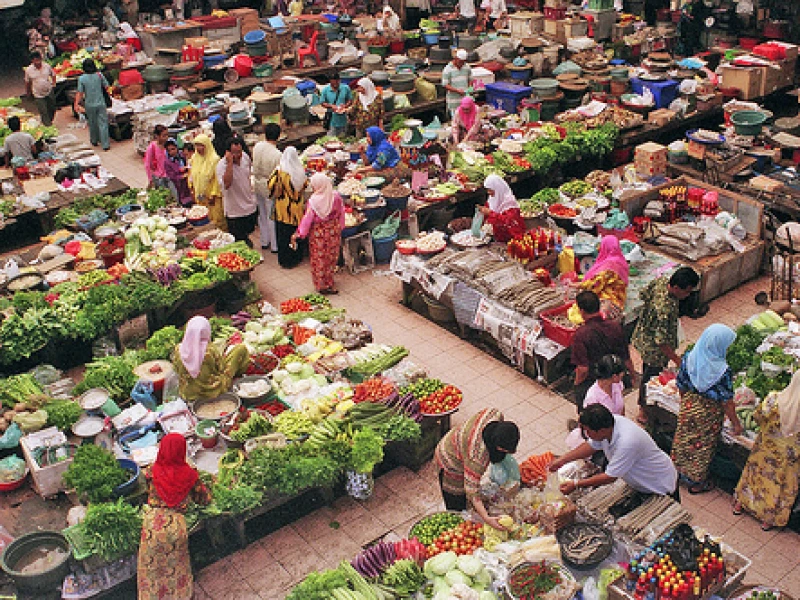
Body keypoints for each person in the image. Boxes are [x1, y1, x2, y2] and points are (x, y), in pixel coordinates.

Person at [137, 433, 211, 600]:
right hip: (175, 527)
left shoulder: (152, 470)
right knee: (176, 568)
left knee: (151, 569)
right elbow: (203, 499)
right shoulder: (190, 474)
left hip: (152, 525)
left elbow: (146, 485)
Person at [549, 404, 679, 498]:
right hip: (639, 482)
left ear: (601, 431)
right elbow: (590, 446)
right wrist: (562, 460)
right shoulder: (609, 425)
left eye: (588, 431)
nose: (586, 434)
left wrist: (576, 484)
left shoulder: (627, 442)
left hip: (658, 485)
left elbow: (610, 477)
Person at [671, 324, 742, 494]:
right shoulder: (722, 371)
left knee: (683, 440)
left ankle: (678, 472)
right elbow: (727, 402)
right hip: (708, 414)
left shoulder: (689, 358)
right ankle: (697, 482)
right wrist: (736, 424)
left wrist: (686, 404)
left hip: (689, 405)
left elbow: (681, 384)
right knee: (701, 448)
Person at [631, 266, 700, 425]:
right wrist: (676, 359)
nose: (687, 295)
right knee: (650, 378)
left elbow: (643, 294)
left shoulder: (660, 282)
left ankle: (645, 406)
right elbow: (661, 342)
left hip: (643, 335)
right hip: (654, 350)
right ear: (676, 288)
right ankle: (644, 410)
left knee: (647, 370)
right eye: (687, 292)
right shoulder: (665, 309)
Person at [733, 370, 800, 531]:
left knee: (755, 475)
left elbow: (758, 417)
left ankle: (740, 504)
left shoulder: (773, 399)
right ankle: (767, 520)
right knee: (778, 485)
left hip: (765, 450)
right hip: (789, 458)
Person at [435, 408, 519, 530]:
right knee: (456, 498)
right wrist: (486, 518)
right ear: (498, 448)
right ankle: (456, 523)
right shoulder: (477, 457)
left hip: (459, 439)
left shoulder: (494, 414)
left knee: (468, 494)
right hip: (450, 458)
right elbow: (472, 490)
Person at [571, 290, 634, 410]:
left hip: (591, 381)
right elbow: (625, 356)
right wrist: (632, 373)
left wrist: (577, 383)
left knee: (590, 413)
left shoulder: (581, 334)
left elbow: (583, 369)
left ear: (582, 311)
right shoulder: (615, 327)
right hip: (612, 379)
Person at [291, 173, 346, 295]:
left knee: (319, 258)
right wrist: (341, 227)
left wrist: (299, 233)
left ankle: (321, 284)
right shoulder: (335, 196)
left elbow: (307, 219)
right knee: (331, 257)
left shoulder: (313, 201)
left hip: (318, 234)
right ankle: (329, 282)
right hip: (333, 231)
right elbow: (341, 212)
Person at [172, 316, 249, 401]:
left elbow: (176, 370)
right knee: (240, 350)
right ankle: (239, 376)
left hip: (188, 393)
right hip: (213, 390)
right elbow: (221, 368)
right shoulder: (209, 350)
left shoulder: (178, 350)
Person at [565, 354, 627, 450]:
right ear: (614, 376)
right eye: (621, 373)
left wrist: (623, 425)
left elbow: (621, 407)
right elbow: (592, 428)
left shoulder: (617, 384)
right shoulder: (593, 398)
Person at [268, 146, 308, 269]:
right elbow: (305, 185)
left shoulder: (279, 172)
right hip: (297, 209)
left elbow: (270, 186)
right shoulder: (300, 171)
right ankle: (296, 256)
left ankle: (286, 260)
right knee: (295, 234)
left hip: (283, 210)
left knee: (283, 236)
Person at [216, 137, 258, 246]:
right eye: (235, 153)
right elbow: (227, 184)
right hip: (234, 210)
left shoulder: (245, 157)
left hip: (248, 205)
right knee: (239, 240)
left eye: (240, 151)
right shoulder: (221, 166)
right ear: (228, 153)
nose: (238, 155)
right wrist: (230, 163)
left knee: (249, 232)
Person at [580, 236, 630, 319]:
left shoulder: (609, 265)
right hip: (620, 295)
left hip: (611, 297)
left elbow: (596, 284)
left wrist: (578, 285)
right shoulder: (620, 259)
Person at [252, 123, 283, 252]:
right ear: (278, 136)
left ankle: (264, 241)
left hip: (257, 182)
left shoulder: (257, 146)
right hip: (270, 186)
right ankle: (275, 245)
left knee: (262, 214)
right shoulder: (277, 154)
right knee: (272, 215)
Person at [188, 134, 225, 230]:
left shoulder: (214, 159)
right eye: (196, 145)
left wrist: (213, 194)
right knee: (203, 220)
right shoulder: (194, 158)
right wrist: (191, 188)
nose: (198, 148)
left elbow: (217, 179)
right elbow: (191, 174)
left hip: (212, 198)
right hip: (200, 196)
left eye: (201, 145)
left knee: (216, 220)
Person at [74, 59, 111, 152]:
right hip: (101, 103)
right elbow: (107, 86)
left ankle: (94, 140)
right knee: (103, 123)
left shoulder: (82, 78)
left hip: (89, 104)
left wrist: (76, 103)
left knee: (92, 122)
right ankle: (105, 144)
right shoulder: (99, 75)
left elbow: (80, 92)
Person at [478, 174, 525, 243]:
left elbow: (508, 221)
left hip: (512, 237)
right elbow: (487, 210)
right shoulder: (493, 198)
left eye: (490, 190)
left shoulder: (509, 202)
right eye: (487, 190)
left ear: (497, 189)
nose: (489, 193)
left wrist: (490, 213)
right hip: (499, 236)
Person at [25, 52, 57, 127]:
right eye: (35, 60)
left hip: (49, 90)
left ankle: (49, 121)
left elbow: (53, 74)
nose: (38, 62)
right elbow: (27, 82)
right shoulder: (29, 70)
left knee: (52, 107)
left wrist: (54, 83)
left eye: (38, 60)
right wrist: (28, 92)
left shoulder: (47, 66)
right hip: (38, 93)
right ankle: (48, 125)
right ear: (32, 61)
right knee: (43, 110)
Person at [319, 72, 353, 138]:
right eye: (333, 83)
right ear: (330, 81)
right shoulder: (325, 90)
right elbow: (322, 102)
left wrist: (345, 106)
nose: (335, 85)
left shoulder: (345, 88)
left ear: (339, 80)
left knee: (343, 137)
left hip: (343, 119)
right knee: (331, 138)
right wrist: (331, 106)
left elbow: (350, 100)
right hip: (331, 119)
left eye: (337, 83)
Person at [442, 49, 473, 116]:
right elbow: (445, 85)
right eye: (460, 62)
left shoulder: (467, 67)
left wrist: (470, 89)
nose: (462, 64)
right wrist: (457, 91)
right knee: (456, 118)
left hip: (465, 101)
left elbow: (470, 79)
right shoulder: (448, 69)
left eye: (463, 62)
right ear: (456, 59)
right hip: (453, 101)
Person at [164, 139, 193, 207]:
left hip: (189, 183)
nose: (172, 152)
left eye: (173, 149)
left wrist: (186, 168)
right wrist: (182, 176)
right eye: (169, 150)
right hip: (178, 186)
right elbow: (171, 176)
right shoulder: (167, 162)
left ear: (177, 147)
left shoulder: (183, 155)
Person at [144, 125, 172, 193]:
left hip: (169, 175)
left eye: (167, 135)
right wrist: (150, 179)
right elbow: (147, 164)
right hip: (159, 178)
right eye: (164, 136)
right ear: (157, 136)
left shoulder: (168, 145)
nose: (166, 137)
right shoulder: (152, 147)